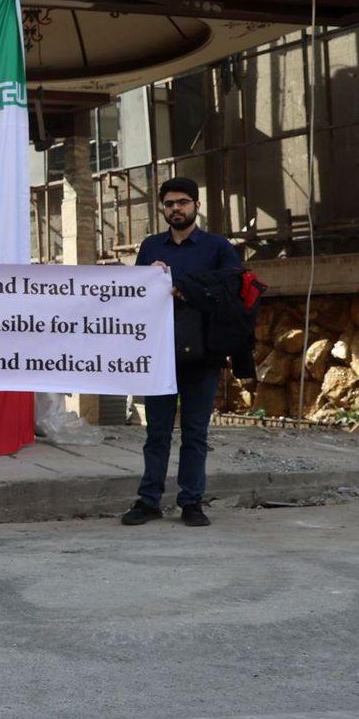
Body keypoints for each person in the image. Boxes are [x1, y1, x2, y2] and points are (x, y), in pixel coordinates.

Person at [122, 177, 239, 529]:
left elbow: (234, 287)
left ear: (196, 206)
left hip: (202, 351)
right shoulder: (151, 246)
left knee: (194, 432)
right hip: (159, 351)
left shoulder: (218, 247)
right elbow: (135, 294)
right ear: (162, 208)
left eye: (183, 202)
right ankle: (149, 500)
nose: (177, 209)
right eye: (170, 203)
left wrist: (189, 290)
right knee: (156, 431)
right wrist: (148, 277)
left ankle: (191, 501)